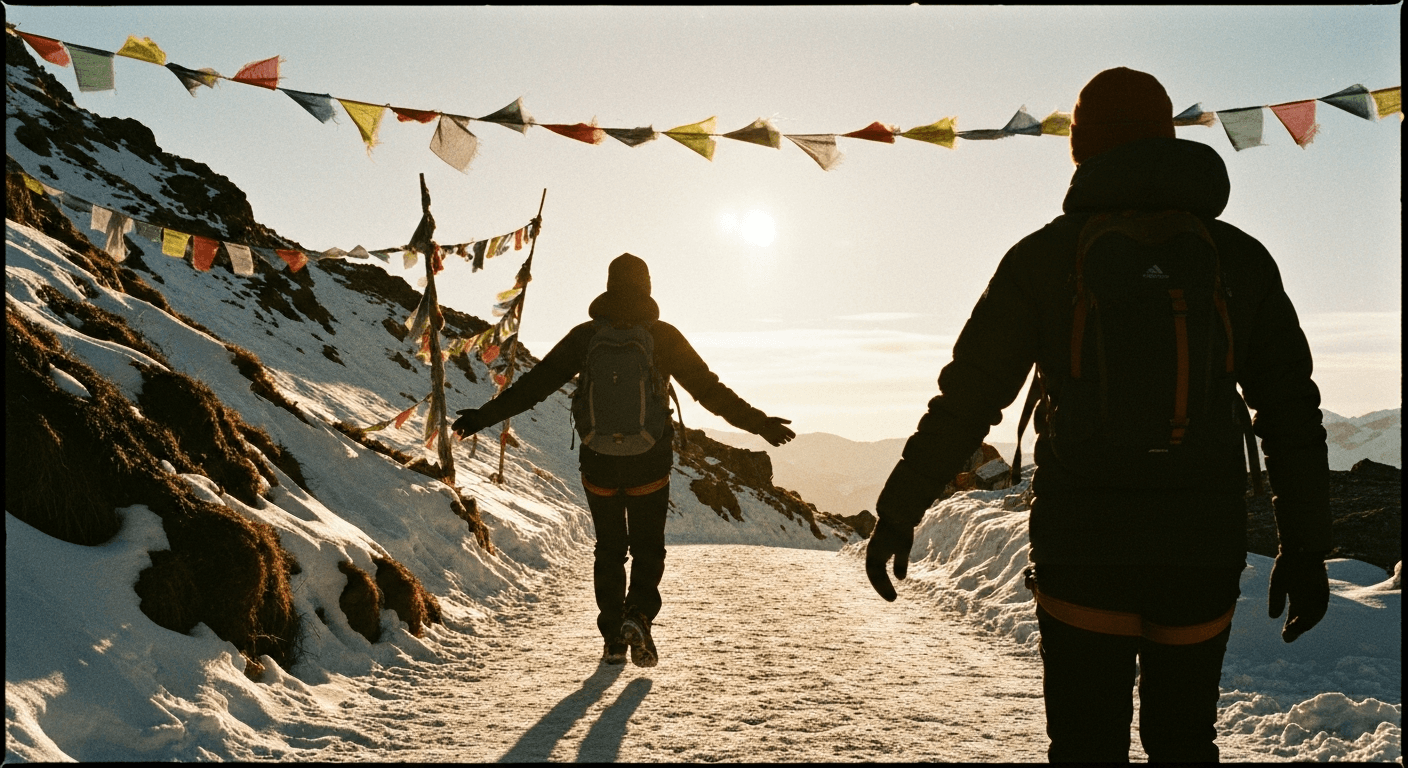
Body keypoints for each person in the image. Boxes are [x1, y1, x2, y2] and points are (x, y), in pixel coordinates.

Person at [864, 67, 1331, 762]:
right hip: (1198, 548)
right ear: (1168, 136)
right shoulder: (1238, 258)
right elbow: (1290, 408)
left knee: (1086, 745)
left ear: (1080, 147)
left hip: (1083, 545)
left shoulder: (1044, 257)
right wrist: (1306, 546)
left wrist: (900, 507)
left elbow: (968, 396)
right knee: (1184, 742)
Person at [452, 253, 796, 667]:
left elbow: (535, 386)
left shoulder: (585, 337)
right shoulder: (663, 336)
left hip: (598, 460)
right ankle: (639, 616)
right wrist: (760, 424)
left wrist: (482, 417)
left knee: (610, 549)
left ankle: (613, 637)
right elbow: (709, 390)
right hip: (649, 461)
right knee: (649, 548)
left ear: (610, 285)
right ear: (647, 287)